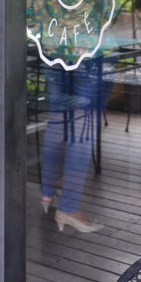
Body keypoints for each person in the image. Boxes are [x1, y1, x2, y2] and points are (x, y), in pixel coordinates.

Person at [38, 63, 107, 233]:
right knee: (84, 126)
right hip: (90, 55)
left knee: (57, 120)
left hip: (55, 51)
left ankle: (47, 194)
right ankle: (68, 208)